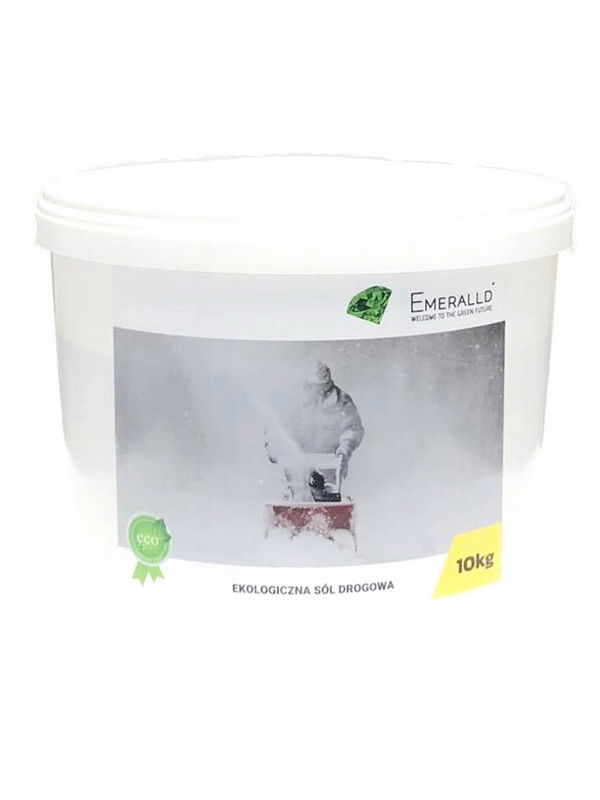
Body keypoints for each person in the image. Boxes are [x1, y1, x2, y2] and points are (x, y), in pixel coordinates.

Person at [265, 363, 364, 492]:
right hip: (298, 460)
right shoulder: (293, 400)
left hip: (330, 461)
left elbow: (352, 428)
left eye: (322, 387)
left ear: (329, 384)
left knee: (326, 494)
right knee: (297, 492)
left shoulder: (342, 401)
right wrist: (275, 449)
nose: (318, 391)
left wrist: (345, 449)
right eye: (314, 387)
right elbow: (276, 427)